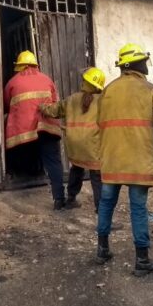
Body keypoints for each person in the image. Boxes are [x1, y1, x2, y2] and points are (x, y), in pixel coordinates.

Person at [94, 43, 153, 276]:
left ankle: (102, 250)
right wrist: (152, 130)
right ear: (135, 64)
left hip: (111, 159)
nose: (146, 65)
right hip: (137, 160)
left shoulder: (107, 91)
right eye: (143, 61)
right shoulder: (150, 90)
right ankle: (141, 260)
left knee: (106, 203)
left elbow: (100, 122)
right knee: (138, 208)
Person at [3, 50, 66, 210]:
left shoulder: (12, 82)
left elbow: (6, 104)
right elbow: (55, 102)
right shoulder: (47, 79)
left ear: (20, 66)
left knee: (22, 149)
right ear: (34, 65)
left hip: (24, 129)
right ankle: (59, 199)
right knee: (53, 161)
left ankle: (22, 176)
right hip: (48, 125)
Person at [40, 67, 106, 211]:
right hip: (93, 146)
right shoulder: (103, 101)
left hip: (74, 145)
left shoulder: (72, 99)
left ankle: (71, 199)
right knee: (96, 176)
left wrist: (42, 107)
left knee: (77, 168)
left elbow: (54, 110)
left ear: (84, 82)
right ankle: (101, 211)